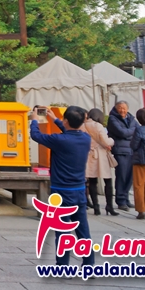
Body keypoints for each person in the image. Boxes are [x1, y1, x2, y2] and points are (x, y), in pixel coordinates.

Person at [30, 105, 93, 266]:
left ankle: (63, 266)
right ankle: (89, 265)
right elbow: (69, 132)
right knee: (83, 230)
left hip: (61, 192)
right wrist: (55, 119)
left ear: (66, 120)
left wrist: (35, 120)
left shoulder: (59, 140)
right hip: (79, 190)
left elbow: (36, 136)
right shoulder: (86, 138)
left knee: (63, 231)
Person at [82, 108, 116, 216]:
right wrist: (112, 140)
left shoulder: (82, 125)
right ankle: (109, 206)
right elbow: (106, 141)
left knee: (92, 182)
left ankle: (96, 207)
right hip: (100, 155)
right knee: (108, 181)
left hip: (88, 154)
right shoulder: (98, 126)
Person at [107, 101, 138, 211]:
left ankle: (126, 198)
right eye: (120, 108)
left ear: (128, 109)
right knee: (121, 175)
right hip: (120, 150)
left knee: (130, 176)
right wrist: (131, 132)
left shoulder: (131, 118)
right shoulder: (112, 118)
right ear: (116, 108)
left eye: (124, 108)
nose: (122, 110)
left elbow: (137, 130)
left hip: (131, 150)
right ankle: (120, 200)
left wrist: (129, 132)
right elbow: (122, 133)